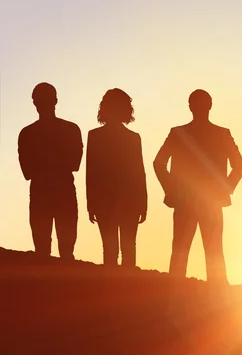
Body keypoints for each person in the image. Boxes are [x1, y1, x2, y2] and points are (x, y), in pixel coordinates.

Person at [154, 89, 242, 283]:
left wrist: (171, 189)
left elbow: (158, 163)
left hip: (192, 200)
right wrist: (224, 188)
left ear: (190, 107)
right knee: (206, 251)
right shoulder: (219, 134)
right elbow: (239, 166)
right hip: (204, 200)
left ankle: (177, 294)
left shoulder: (180, 133)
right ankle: (216, 295)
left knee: (185, 251)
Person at [18, 82, 83, 259]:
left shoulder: (27, 134)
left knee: (45, 250)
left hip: (44, 193)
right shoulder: (71, 129)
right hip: (61, 192)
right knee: (63, 250)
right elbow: (73, 163)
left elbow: (28, 170)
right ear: (56, 100)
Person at [86, 89, 147, 267]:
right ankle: (123, 289)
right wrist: (143, 202)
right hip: (121, 201)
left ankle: (116, 288)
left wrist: (91, 203)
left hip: (112, 201)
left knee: (113, 249)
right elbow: (139, 173)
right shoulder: (132, 138)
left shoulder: (96, 136)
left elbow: (92, 172)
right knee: (125, 249)